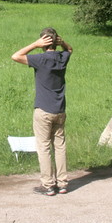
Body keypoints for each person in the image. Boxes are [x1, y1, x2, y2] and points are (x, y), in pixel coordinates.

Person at [12, 28, 73, 196]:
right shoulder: (62, 58)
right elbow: (69, 50)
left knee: (44, 147)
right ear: (56, 42)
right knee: (59, 146)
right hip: (60, 110)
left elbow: (15, 56)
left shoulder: (40, 59)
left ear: (43, 43)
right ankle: (62, 184)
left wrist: (34, 44)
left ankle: (48, 185)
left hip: (43, 111)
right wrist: (63, 42)